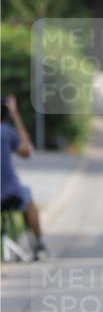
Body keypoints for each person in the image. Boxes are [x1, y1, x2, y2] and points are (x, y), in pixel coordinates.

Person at [1, 96, 47, 259]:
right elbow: (27, 151)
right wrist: (16, 117)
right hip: (9, 193)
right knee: (27, 195)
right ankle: (40, 243)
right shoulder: (6, 131)